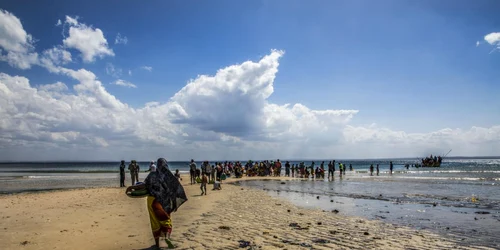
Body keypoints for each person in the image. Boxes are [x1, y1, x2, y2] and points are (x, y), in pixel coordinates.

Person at [127, 158, 187, 249]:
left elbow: (144, 185)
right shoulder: (169, 176)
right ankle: (167, 238)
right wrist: (175, 204)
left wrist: (132, 187)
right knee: (166, 221)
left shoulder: (152, 175)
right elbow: (176, 190)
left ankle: (157, 244)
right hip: (164, 202)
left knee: (155, 222)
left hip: (152, 201)